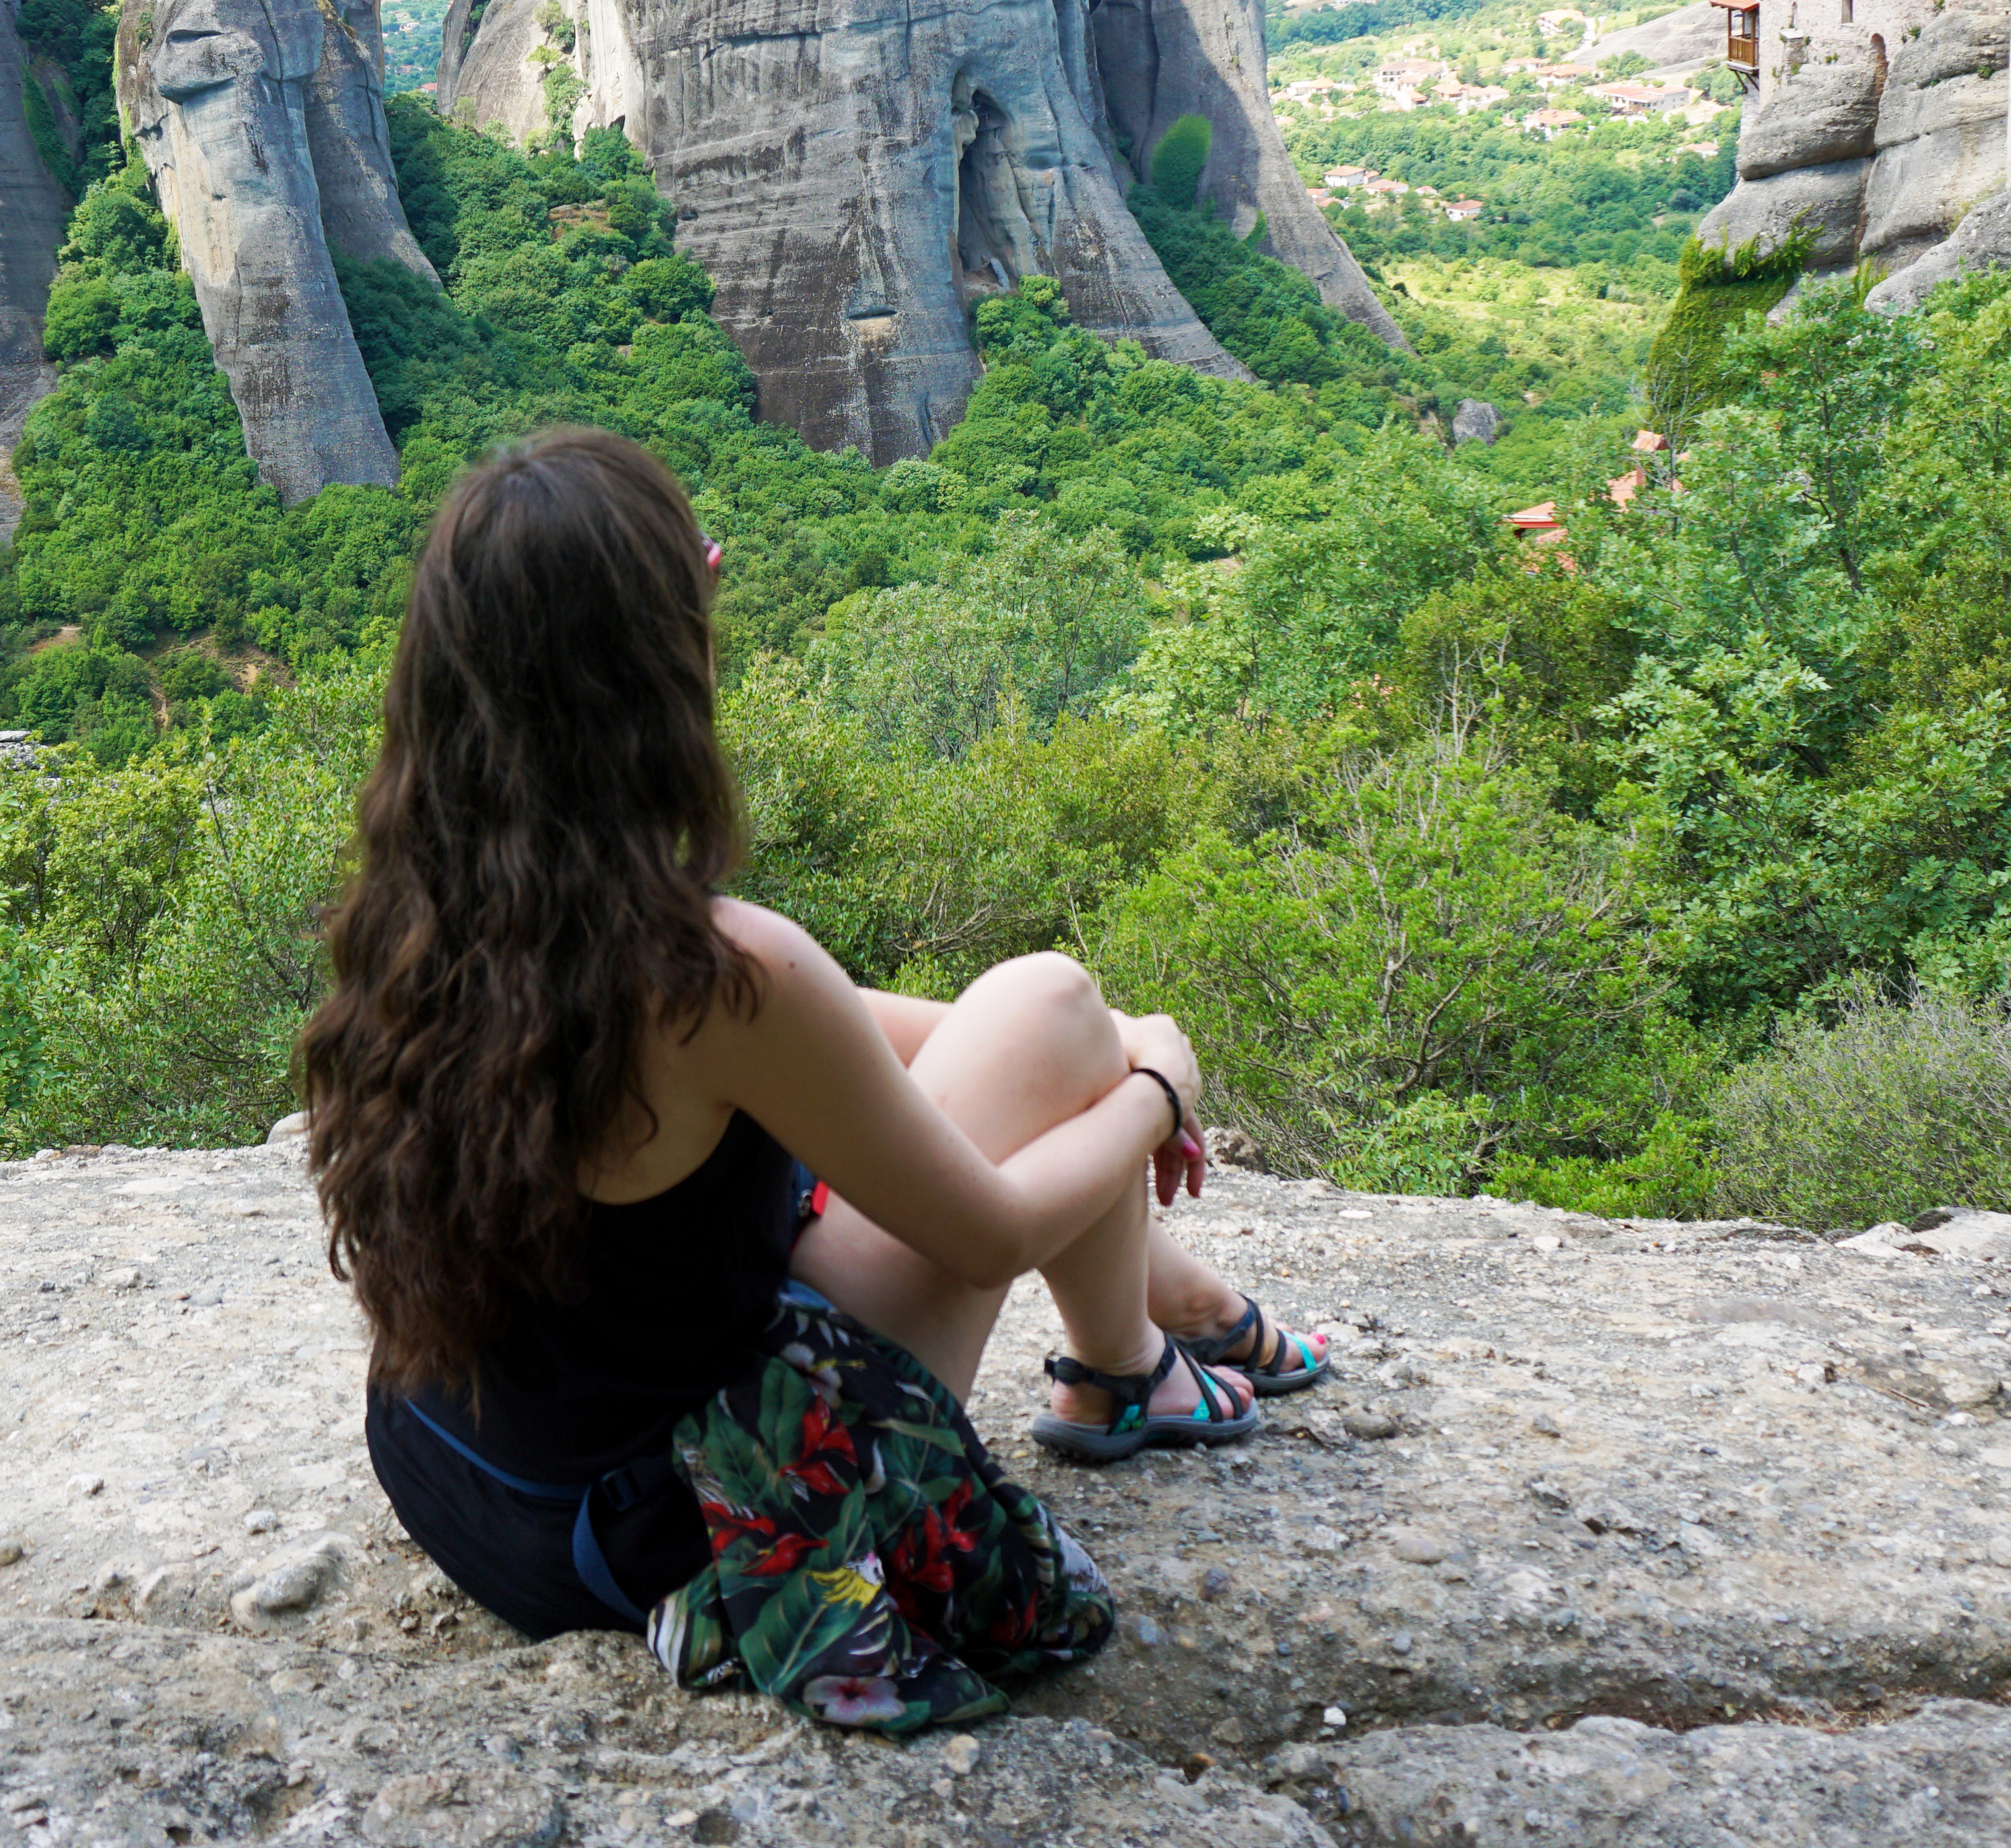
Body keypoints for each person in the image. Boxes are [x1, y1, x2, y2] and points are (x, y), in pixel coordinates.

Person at [303, 426, 1329, 1734]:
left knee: (1053, 1014)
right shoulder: (708, 969)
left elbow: (897, 1035)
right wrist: (1156, 1084)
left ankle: (1149, 1318)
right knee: (1063, 1007)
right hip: (678, 1518)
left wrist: (1087, 1049)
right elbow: (994, 1230)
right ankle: (1126, 1358)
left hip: (464, 1480)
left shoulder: (407, 908)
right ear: (680, 626)